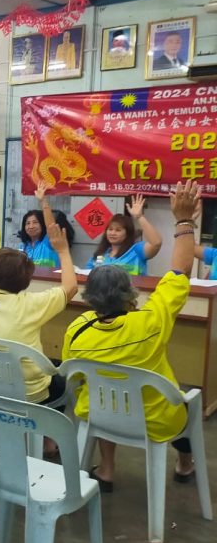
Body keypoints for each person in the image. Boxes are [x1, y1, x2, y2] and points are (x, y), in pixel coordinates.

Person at [63, 180, 200, 492]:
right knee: (185, 400)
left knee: (103, 393)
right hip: (154, 420)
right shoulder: (151, 321)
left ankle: (107, 469)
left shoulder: (77, 328)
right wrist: (184, 220)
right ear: (131, 295)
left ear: (89, 298)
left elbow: (76, 378)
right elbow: (180, 270)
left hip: (98, 413)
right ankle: (185, 464)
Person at [0, 222, 76, 409]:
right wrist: (63, 252)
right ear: (26, 280)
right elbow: (70, 288)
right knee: (63, 374)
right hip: (31, 394)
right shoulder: (32, 304)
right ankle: (48, 427)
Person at [86, 194, 161, 276]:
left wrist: (139, 217)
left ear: (127, 233)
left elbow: (156, 243)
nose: (112, 233)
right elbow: (87, 275)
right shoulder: (101, 254)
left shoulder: (137, 250)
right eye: (110, 229)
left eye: (118, 230)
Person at [17, 183, 60, 268]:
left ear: (42, 224)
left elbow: (51, 226)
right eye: (27, 223)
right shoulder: (22, 246)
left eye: (35, 222)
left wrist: (43, 200)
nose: (31, 226)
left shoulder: (48, 242)